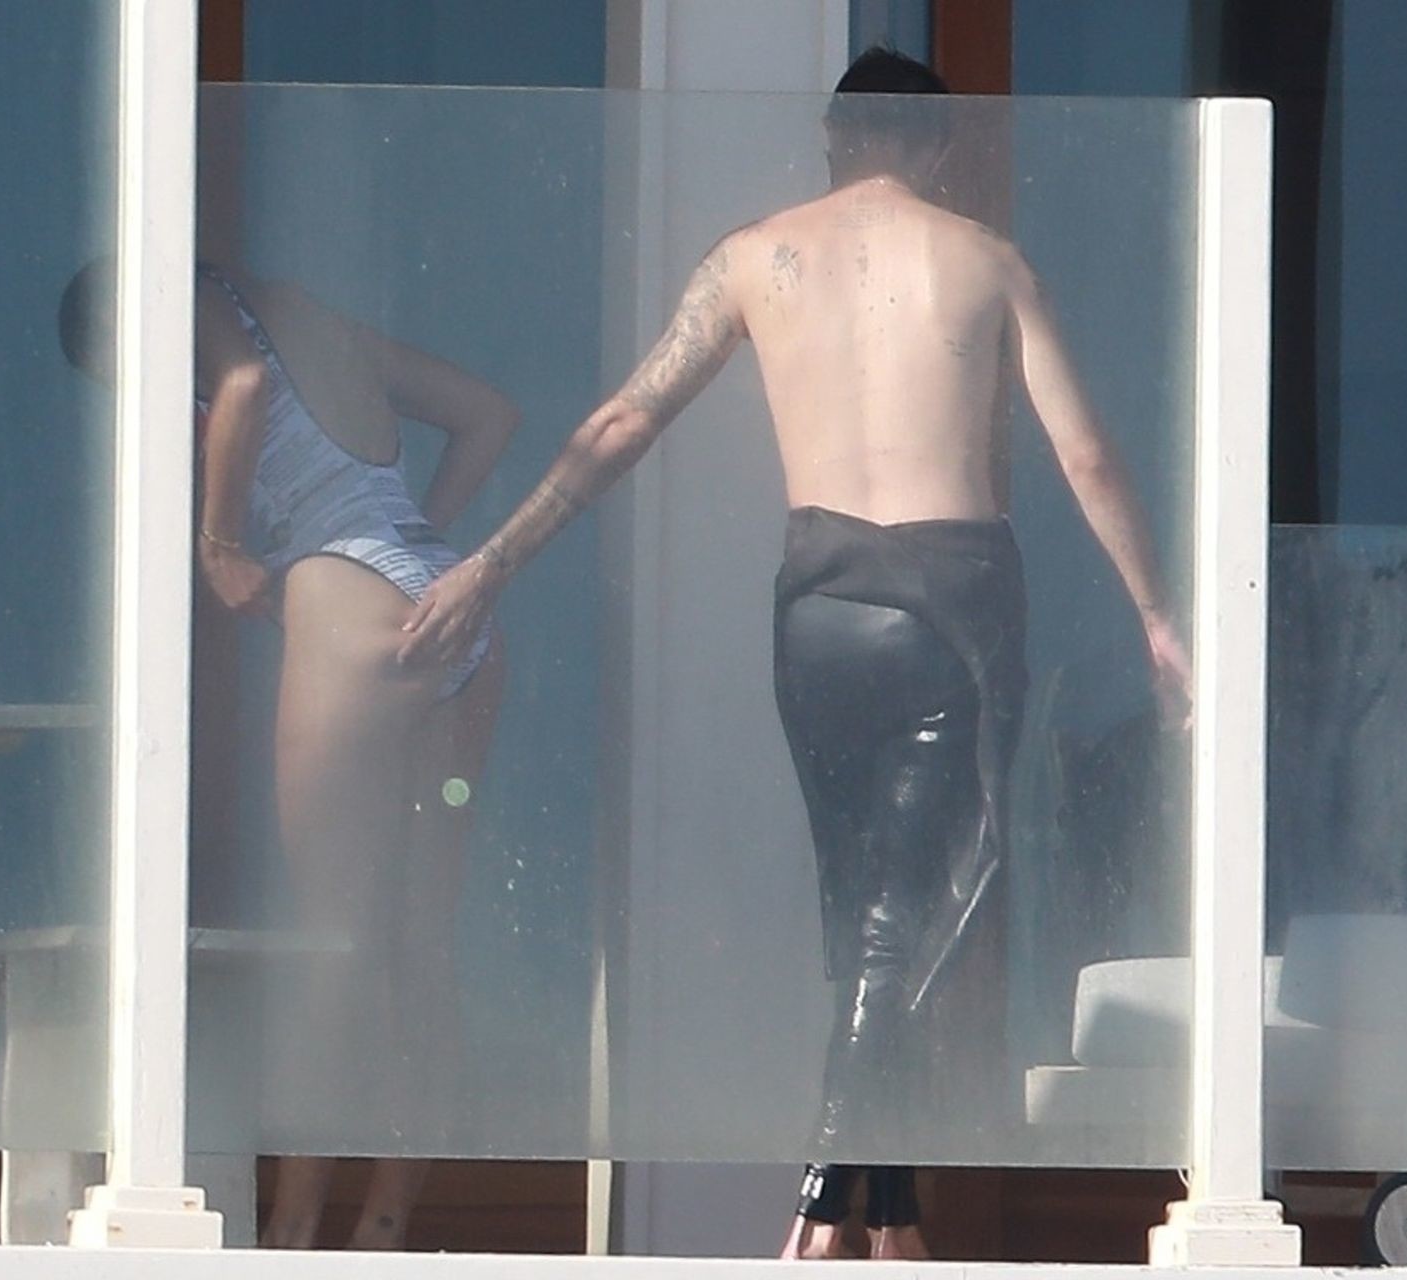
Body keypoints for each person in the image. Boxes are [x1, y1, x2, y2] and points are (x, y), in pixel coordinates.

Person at [397, 48, 1190, 1260]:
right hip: (952, 603)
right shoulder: (986, 259)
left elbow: (622, 421)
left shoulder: (755, 257)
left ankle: (896, 1221)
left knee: (874, 918)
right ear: (938, 148)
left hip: (818, 610)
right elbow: (1085, 455)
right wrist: (1156, 613)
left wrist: (491, 561)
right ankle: (820, 1214)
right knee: (896, 927)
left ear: (832, 139)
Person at [60, 257, 520, 1249]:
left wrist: (220, 543)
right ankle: (384, 1228)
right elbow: (489, 414)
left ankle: (294, 1234)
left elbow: (241, 383)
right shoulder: (315, 316)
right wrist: (416, 544)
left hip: (348, 592)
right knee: (421, 946)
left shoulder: (203, 311)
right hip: (448, 601)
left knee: (332, 945)